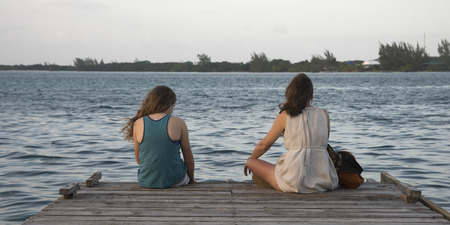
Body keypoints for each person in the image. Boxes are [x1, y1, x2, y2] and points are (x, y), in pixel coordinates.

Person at [244, 73, 338, 193]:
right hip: (324, 180)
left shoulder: (285, 115)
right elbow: (323, 143)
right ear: (312, 95)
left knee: (252, 162)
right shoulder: (324, 114)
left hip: (294, 180)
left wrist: (250, 160)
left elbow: (264, 145)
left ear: (290, 93)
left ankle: (271, 179)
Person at [121, 85, 195, 188]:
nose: (173, 109)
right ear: (170, 104)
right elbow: (189, 159)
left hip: (146, 181)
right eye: (174, 106)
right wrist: (191, 179)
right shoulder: (179, 122)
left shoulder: (138, 123)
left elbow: (139, 159)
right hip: (176, 181)